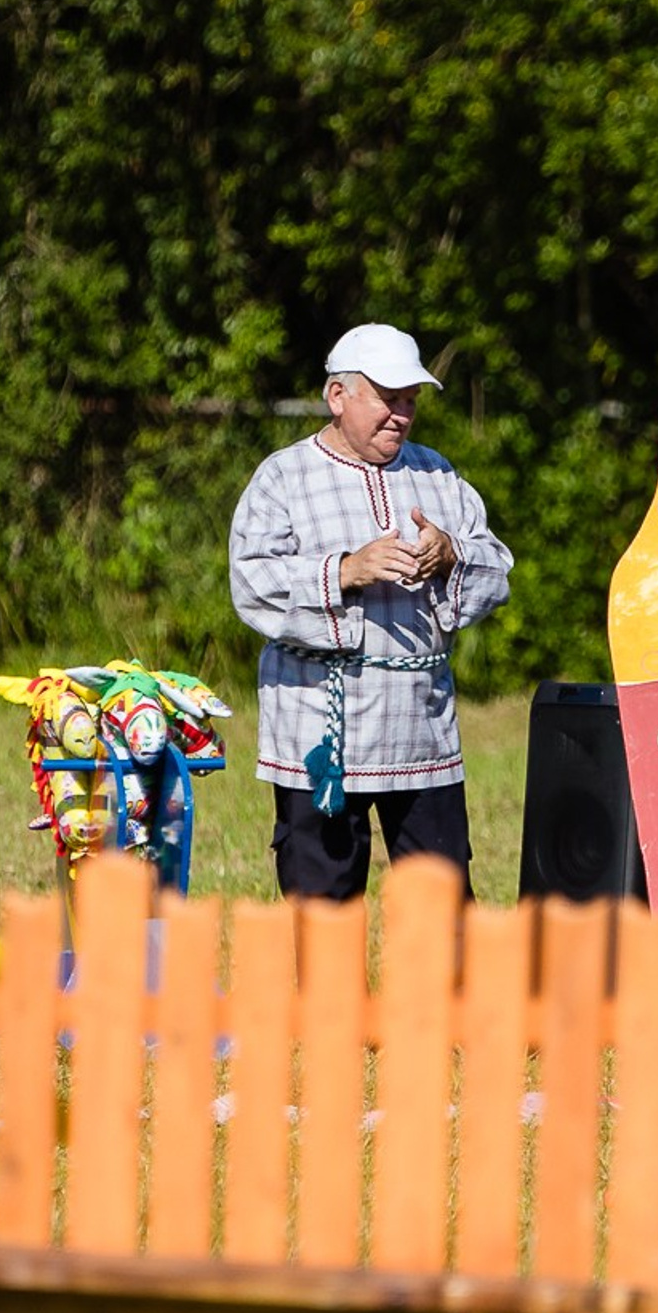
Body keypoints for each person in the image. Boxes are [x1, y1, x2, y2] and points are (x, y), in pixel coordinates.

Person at [228, 324, 512, 899]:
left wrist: (452, 553)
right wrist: (343, 572)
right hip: (319, 727)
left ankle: (442, 995)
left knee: (443, 903)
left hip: (420, 726)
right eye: (388, 398)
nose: (401, 415)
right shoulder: (282, 477)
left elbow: (497, 568)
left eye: (410, 401)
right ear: (338, 396)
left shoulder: (439, 475)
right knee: (324, 904)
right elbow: (251, 580)